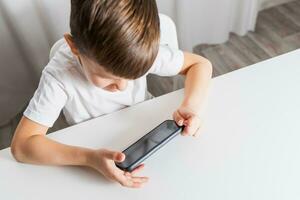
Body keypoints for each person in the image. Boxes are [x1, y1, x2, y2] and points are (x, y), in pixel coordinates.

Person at [11, 0, 212, 188]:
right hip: (91, 149)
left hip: (141, 132)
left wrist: (191, 106)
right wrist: (88, 158)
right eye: (107, 77)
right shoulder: (59, 76)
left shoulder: (138, 48)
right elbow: (21, 145)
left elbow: (200, 64)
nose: (123, 87)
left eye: (134, 76)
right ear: (75, 47)